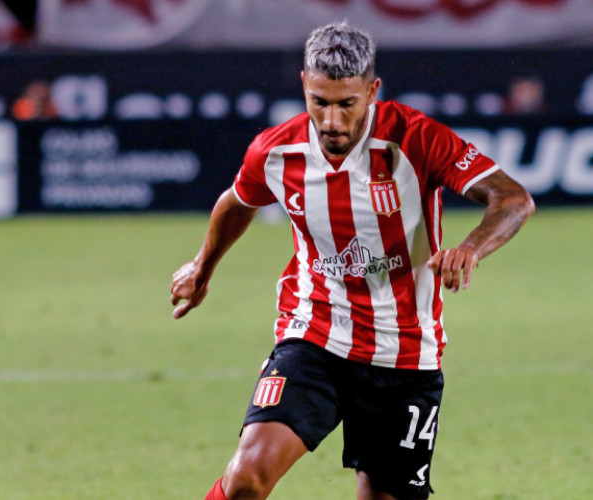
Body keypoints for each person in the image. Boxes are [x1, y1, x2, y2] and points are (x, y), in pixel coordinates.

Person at [170, 21, 534, 500]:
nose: (333, 121)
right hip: (315, 335)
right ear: (304, 85)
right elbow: (237, 201)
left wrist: (471, 246)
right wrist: (203, 267)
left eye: (347, 103)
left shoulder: (416, 139)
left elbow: (512, 199)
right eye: (320, 102)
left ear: (372, 90)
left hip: (404, 352)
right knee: (246, 478)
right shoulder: (276, 151)